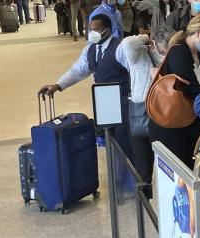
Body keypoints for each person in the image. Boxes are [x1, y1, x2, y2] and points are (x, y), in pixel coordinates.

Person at [40, 13, 134, 159]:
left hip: (122, 100)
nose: (92, 33)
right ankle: (115, 172)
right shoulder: (90, 50)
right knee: (107, 136)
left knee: (124, 139)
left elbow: (134, 72)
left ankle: (129, 176)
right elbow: (78, 70)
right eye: (90, 29)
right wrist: (58, 85)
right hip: (103, 100)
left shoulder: (121, 48)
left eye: (95, 30)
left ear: (107, 31)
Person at [149, 13, 200, 169]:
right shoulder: (179, 53)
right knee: (177, 174)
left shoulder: (199, 56)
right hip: (171, 125)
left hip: (188, 122)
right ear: (197, 32)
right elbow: (193, 89)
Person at [120, 27, 170, 186]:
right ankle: (144, 199)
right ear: (153, 44)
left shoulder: (171, 56)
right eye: (163, 49)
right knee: (143, 165)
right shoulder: (138, 54)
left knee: (166, 163)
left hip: (164, 112)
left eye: (168, 48)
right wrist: (144, 37)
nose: (165, 52)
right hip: (140, 112)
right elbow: (127, 43)